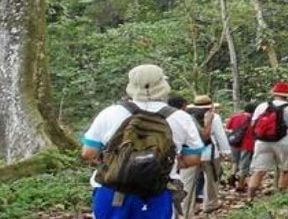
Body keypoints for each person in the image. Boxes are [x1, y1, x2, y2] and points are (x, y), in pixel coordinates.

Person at [80, 64, 205, 219]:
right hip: (157, 192)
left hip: (112, 191)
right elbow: (194, 157)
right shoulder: (180, 118)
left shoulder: (110, 113)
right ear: (163, 85)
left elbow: (88, 152)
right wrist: (164, 163)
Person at [248, 81, 288, 198]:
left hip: (262, 142)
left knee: (258, 171)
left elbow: (253, 124)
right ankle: (281, 197)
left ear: (274, 94)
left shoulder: (262, 106)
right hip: (285, 143)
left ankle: (250, 198)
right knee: (286, 169)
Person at [182, 95, 231, 216]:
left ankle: (185, 210)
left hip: (190, 154)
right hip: (209, 154)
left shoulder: (186, 116)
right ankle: (210, 204)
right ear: (211, 105)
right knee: (212, 180)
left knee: (187, 183)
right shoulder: (214, 117)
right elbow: (220, 136)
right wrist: (226, 152)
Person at [226, 103, 257, 192]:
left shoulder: (235, 117)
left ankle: (232, 175)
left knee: (235, 161)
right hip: (248, 144)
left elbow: (228, 127)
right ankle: (240, 184)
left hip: (235, 142)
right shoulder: (254, 119)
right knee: (244, 164)